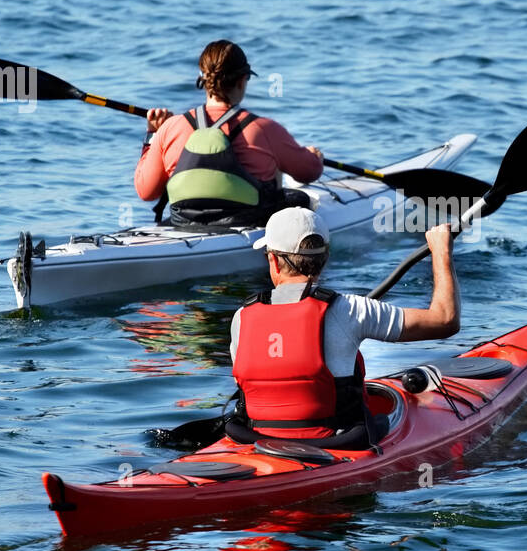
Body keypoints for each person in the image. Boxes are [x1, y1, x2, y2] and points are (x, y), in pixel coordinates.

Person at [228, 207, 460, 448]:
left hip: (256, 442)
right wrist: (441, 252)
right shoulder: (350, 310)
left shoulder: (242, 317)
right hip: (334, 444)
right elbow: (445, 320)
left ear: (273, 260)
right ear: (325, 258)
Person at [135, 40, 325, 226]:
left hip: (184, 224)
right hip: (247, 222)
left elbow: (146, 192)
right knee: (298, 197)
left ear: (203, 80)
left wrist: (153, 135)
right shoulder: (263, 129)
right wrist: (314, 157)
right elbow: (308, 172)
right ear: (242, 81)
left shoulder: (170, 128)